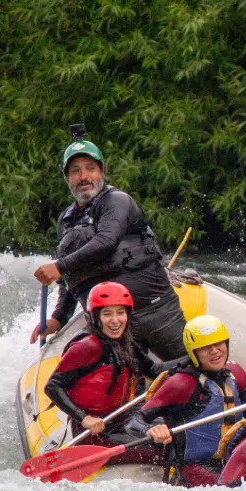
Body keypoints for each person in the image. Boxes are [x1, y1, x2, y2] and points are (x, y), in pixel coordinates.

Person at [30, 124, 187, 360]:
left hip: (156, 311)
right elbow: (72, 279)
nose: (83, 177)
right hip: (110, 325)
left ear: (102, 171)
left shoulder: (116, 201)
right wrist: (59, 318)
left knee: (193, 373)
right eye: (75, 171)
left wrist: (59, 266)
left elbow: (106, 241)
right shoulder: (66, 220)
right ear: (66, 178)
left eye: (90, 169)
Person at [43, 282, 175, 464]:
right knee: (166, 448)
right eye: (107, 314)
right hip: (94, 434)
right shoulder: (86, 347)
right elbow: (52, 386)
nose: (115, 320)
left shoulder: (126, 343)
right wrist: (85, 418)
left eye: (120, 313)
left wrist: (195, 359)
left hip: (122, 423)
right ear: (96, 317)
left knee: (177, 429)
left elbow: (155, 370)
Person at [123, 315, 246, 487]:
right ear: (194, 353)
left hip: (232, 460)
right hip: (192, 468)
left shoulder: (236, 373)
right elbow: (134, 421)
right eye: (205, 347)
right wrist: (150, 430)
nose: (215, 351)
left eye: (219, 343)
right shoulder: (181, 383)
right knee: (235, 487)